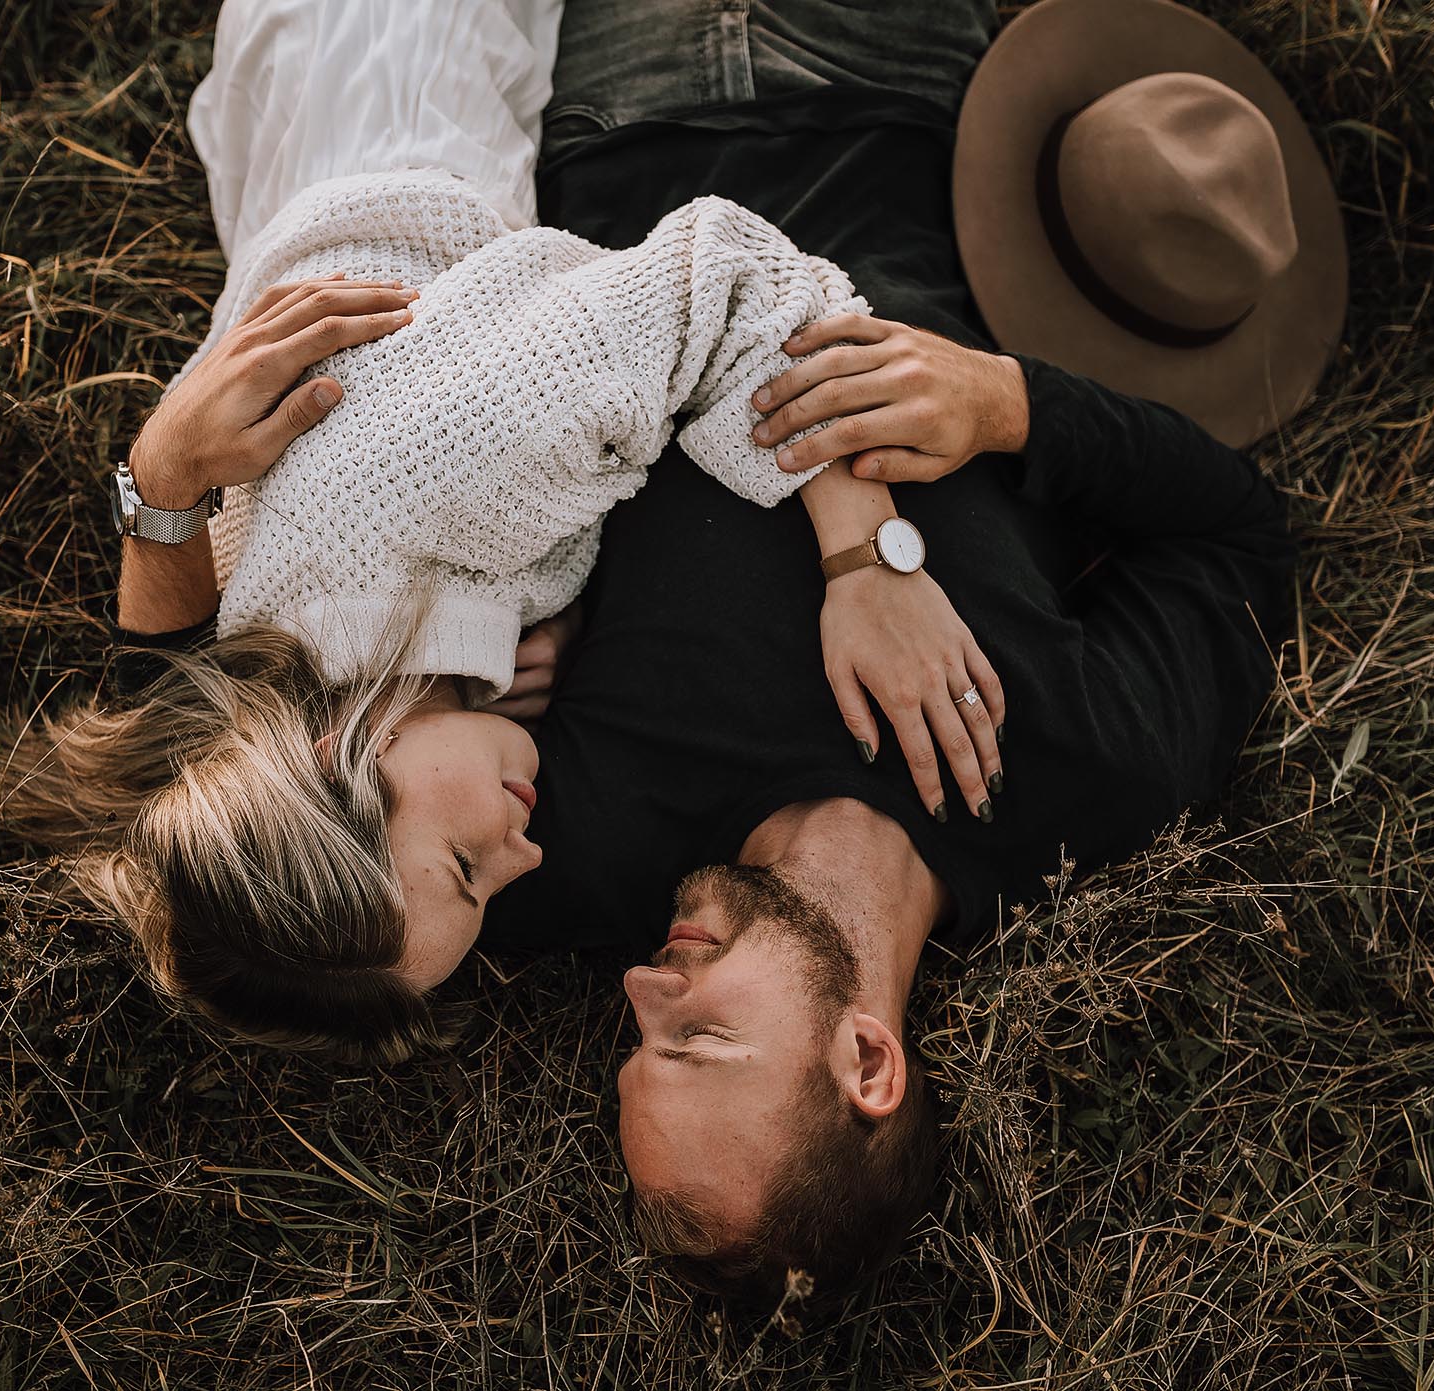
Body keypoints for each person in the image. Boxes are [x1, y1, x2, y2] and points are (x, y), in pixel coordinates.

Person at [474, 0, 1343, 1297]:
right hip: (905, 95)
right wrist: (1007, 404)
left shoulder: (568, 854)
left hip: (613, 117)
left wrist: (493, 644)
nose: (648, 983)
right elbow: (1238, 537)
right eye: (699, 1035)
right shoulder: (1083, 781)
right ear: (868, 1060)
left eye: (634, 1036)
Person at [0, 0, 1009, 1062]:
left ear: (350, 749)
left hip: (408, 50)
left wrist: (865, 561)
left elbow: (727, 275)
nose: (524, 853)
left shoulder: (433, 468)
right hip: (323, 131)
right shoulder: (295, 693)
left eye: (465, 868)